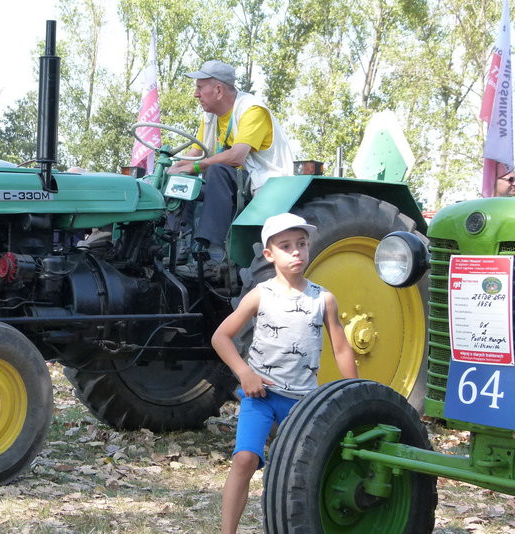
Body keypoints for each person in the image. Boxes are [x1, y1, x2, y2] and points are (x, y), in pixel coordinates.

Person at [210, 212, 358, 534]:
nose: (296, 252)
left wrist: (353, 396)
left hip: (302, 403)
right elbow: (221, 337)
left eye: (302, 244)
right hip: (261, 396)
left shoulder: (323, 299)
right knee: (245, 460)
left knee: (298, 474)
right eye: (286, 246)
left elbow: (342, 349)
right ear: (269, 254)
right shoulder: (261, 294)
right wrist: (244, 373)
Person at [169, 60, 294, 280]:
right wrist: (174, 168)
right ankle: (176, 244)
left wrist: (196, 166)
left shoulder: (252, 110)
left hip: (264, 184)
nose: (195, 94)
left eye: (199, 88)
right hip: (233, 181)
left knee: (216, 170)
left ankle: (213, 255)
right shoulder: (210, 117)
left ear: (218, 90)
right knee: (182, 181)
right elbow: (197, 151)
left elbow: (236, 156)